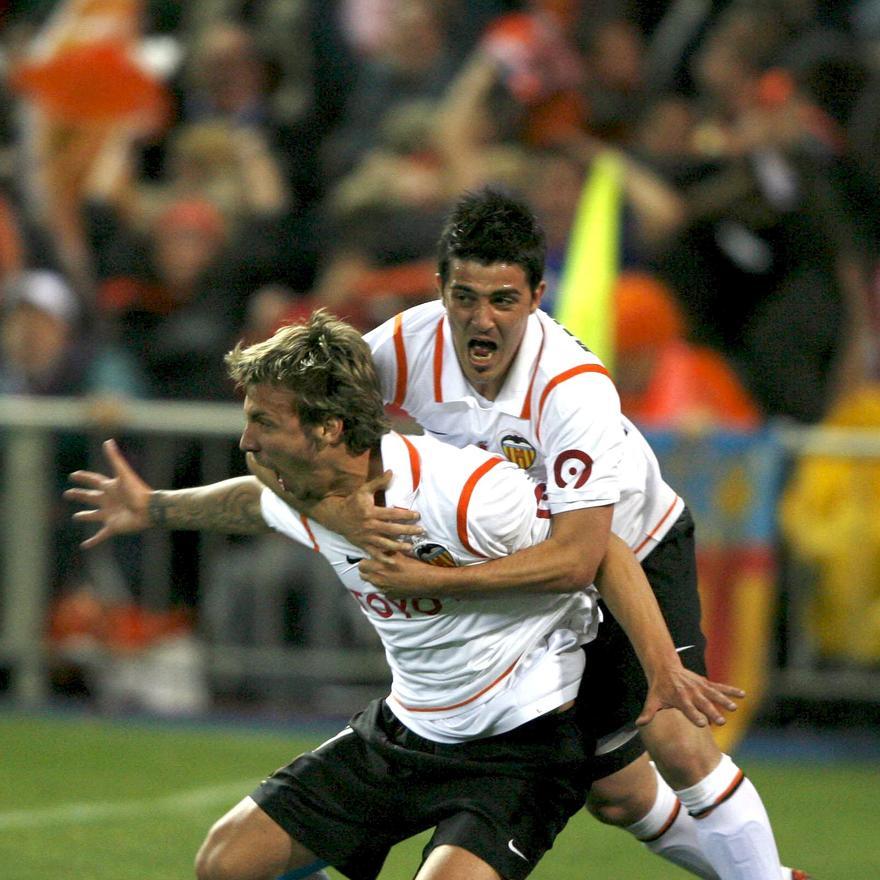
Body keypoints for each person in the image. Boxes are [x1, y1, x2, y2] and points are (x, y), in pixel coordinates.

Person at [67, 311, 740, 880]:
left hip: (522, 748)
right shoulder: (305, 491)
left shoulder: (461, 489)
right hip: (407, 731)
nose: (248, 440)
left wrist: (662, 666)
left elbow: (601, 551)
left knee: (627, 793)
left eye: (264, 421)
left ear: (329, 430)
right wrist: (153, 507)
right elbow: (249, 501)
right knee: (225, 863)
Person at [302, 189, 808, 879]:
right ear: (440, 289)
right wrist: (342, 506)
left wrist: (430, 579)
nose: (481, 319)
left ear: (538, 297)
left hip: (632, 552)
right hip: (526, 561)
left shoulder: (572, 390)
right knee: (617, 793)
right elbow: (304, 426)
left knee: (675, 737)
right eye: (464, 297)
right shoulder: (400, 345)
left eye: (503, 300)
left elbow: (580, 558)